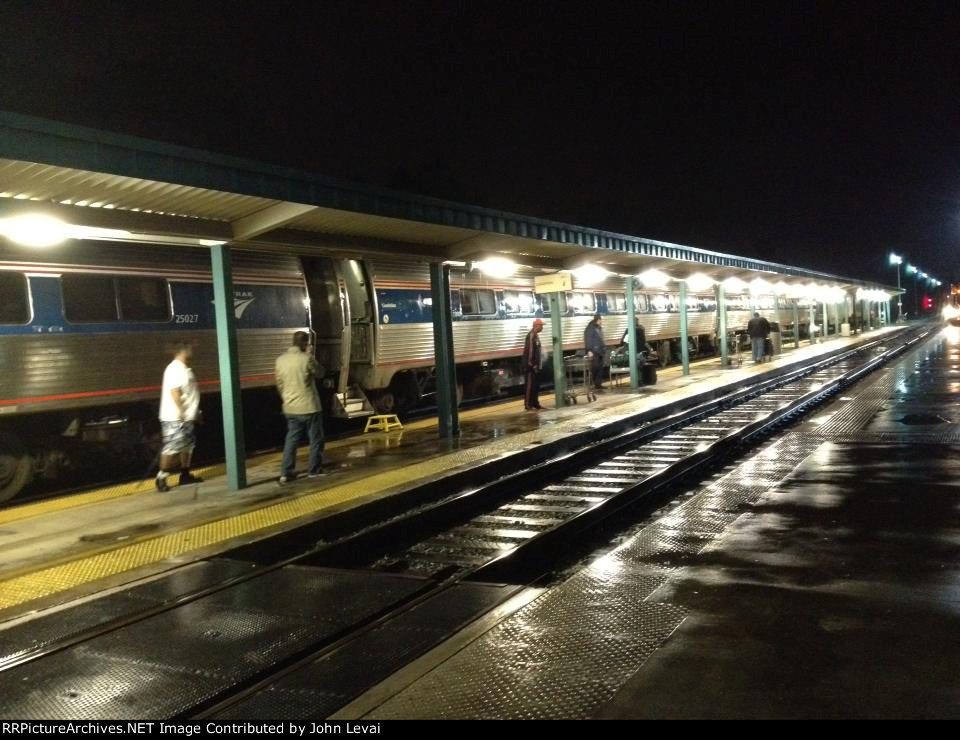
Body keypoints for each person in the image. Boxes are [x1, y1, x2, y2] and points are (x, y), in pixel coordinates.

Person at [276, 331, 325, 483]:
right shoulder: (306, 358)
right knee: (316, 440)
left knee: (291, 440)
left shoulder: (281, 360)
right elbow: (320, 373)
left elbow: (279, 384)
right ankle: (314, 470)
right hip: (309, 407)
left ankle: (286, 472)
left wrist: (286, 399)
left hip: (290, 407)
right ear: (305, 343)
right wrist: (312, 356)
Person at [156, 342, 202, 492]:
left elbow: (189, 393)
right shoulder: (175, 368)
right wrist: (181, 411)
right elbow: (175, 392)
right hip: (175, 417)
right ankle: (161, 477)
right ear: (183, 351)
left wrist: (195, 412)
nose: (192, 350)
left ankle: (185, 474)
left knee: (188, 445)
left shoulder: (184, 368)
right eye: (190, 348)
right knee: (172, 447)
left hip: (187, 417)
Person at [522, 318, 544, 411]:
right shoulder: (531, 336)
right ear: (536, 326)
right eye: (541, 326)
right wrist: (532, 364)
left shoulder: (536, 336)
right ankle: (528, 405)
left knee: (535, 386)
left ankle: (535, 403)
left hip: (536, 365)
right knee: (529, 386)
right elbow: (530, 351)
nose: (542, 327)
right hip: (531, 366)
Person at [584, 313, 605, 389]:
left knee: (600, 368)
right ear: (597, 320)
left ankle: (598, 384)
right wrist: (589, 350)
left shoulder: (598, 328)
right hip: (594, 351)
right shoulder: (590, 328)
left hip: (600, 351)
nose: (601, 321)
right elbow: (588, 339)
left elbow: (600, 338)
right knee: (594, 367)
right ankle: (592, 383)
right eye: (600, 320)